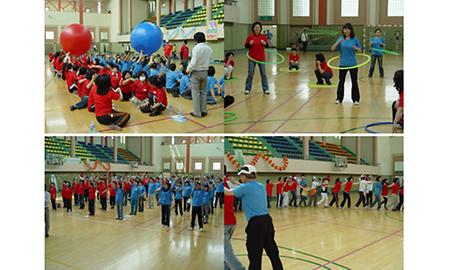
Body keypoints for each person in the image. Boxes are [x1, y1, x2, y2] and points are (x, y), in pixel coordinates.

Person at [224, 165, 283, 270]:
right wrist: (235, 183)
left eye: (241, 176)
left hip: (256, 224)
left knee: (254, 255)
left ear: (245, 176)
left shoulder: (245, 187)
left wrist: (218, 185)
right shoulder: (260, 185)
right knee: (272, 252)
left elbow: (228, 193)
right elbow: (245, 189)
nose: (240, 178)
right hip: (267, 221)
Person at [331, 23, 362, 105]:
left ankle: (356, 99)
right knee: (341, 82)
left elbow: (360, 50)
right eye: (345, 29)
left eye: (348, 29)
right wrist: (338, 42)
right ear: (343, 30)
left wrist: (356, 48)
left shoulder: (355, 39)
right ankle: (339, 99)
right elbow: (332, 49)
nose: (346, 30)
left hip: (353, 64)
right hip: (343, 64)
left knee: (354, 82)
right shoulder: (340, 39)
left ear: (351, 30)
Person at [187, 32, 213, 118]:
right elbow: (210, 59)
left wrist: (188, 68)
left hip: (196, 72)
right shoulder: (209, 49)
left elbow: (193, 61)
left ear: (196, 39)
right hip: (205, 72)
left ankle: (197, 113)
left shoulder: (196, 48)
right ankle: (204, 110)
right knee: (204, 92)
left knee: (195, 93)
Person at [224, 177, 245, 270]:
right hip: (231, 222)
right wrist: (235, 182)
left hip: (226, 223)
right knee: (224, 252)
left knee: (227, 253)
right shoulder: (229, 184)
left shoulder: (224, 186)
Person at [244, 22, 270, 95]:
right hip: (252, 58)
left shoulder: (263, 37)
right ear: (253, 28)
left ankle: (266, 89)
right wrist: (249, 44)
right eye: (256, 27)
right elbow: (246, 46)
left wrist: (265, 43)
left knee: (263, 74)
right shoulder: (250, 37)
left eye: (258, 27)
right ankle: (247, 88)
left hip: (261, 58)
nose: (257, 29)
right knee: (250, 73)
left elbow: (268, 45)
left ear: (260, 29)